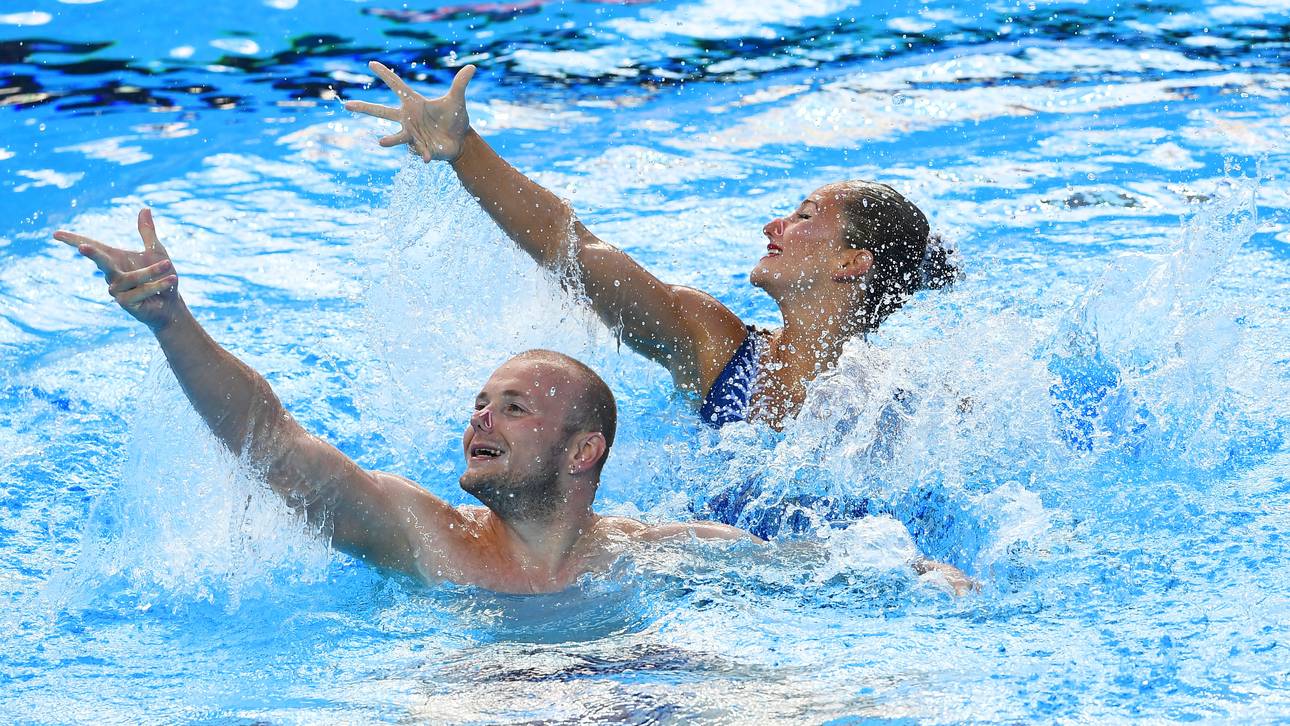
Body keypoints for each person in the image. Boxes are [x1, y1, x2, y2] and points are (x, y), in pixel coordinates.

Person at [54, 210, 972, 595]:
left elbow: (827, 565)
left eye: (515, 409)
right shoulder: (424, 539)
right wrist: (171, 322)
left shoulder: (655, 556)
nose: (479, 420)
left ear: (585, 453)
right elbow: (274, 439)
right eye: (481, 403)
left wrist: (933, 578)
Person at [344, 62, 958, 429]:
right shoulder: (712, 343)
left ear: (852, 262)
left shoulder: (901, 405)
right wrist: (466, 150)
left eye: (802, 215)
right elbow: (572, 249)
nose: (773, 227)